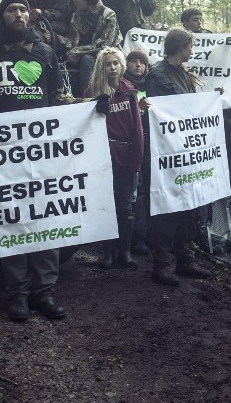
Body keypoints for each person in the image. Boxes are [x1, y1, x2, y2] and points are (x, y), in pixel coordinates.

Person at [0, 0, 74, 323]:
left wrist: (90, 111)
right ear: (2, 16)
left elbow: (57, 98)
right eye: (12, 10)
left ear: (30, 15)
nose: (18, 14)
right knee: (13, 217)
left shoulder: (46, 52)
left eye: (23, 9)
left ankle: (45, 292)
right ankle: (18, 293)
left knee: (47, 216)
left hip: (42, 150)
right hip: (5, 152)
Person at [143, 27, 213, 286]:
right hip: (167, 152)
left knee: (189, 204)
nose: (192, 51)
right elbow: (160, 114)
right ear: (179, 46)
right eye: (189, 45)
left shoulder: (183, 74)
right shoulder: (157, 75)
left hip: (187, 151)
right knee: (167, 209)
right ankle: (162, 264)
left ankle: (186, 260)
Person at [82, 47, 144, 269]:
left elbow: (137, 128)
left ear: (121, 65)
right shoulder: (92, 92)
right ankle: (107, 252)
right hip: (101, 157)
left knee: (125, 205)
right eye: (108, 64)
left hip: (126, 156)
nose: (112, 67)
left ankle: (124, 252)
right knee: (104, 205)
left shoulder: (129, 92)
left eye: (116, 63)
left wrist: (136, 159)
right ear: (101, 66)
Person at [66, 0, 121, 96]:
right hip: (83, 53)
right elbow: (72, 41)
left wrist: (77, 52)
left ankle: (88, 97)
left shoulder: (108, 15)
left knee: (87, 59)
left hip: (108, 54)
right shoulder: (77, 15)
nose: (75, 0)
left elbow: (106, 44)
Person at [124, 50, 151, 255]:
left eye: (141, 63)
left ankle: (145, 236)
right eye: (133, 62)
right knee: (134, 191)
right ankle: (132, 239)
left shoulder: (153, 86)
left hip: (152, 145)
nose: (138, 66)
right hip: (130, 147)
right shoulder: (122, 87)